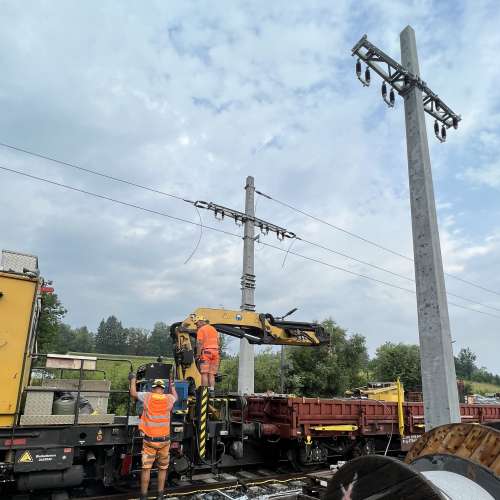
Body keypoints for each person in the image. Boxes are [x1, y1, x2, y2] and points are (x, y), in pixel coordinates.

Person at [129, 372, 178, 500]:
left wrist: (133, 379)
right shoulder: (168, 398)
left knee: (146, 469)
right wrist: (172, 386)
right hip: (164, 441)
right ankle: (160, 496)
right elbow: (176, 396)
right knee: (162, 469)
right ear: (162, 389)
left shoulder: (148, 396)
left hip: (149, 441)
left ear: (153, 388)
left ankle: (144, 497)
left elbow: (133, 393)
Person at [194, 316, 220, 389]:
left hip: (206, 353)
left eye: (197, 323)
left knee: (204, 373)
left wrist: (198, 354)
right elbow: (218, 342)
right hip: (216, 352)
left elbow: (199, 343)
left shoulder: (201, 330)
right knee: (211, 374)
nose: (196, 325)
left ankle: (204, 390)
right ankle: (212, 389)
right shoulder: (214, 329)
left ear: (201, 321)